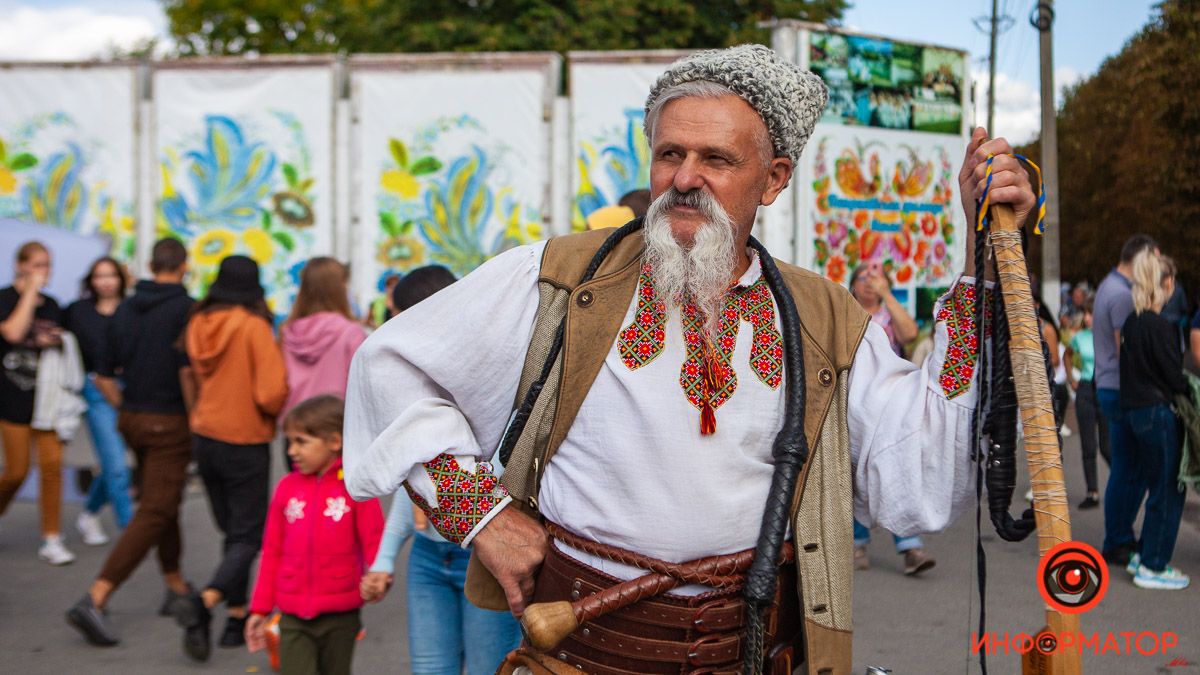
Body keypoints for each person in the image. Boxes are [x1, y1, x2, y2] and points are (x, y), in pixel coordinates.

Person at [344, 44, 1039, 674]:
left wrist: (981, 268)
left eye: (716, 160)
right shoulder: (558, 277)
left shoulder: (822, 317)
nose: (685, 178)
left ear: (773, 179)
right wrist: (483, 515)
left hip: (749, 654)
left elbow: (913, 473)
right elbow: (390, 365)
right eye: (670, 154)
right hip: (579, 654)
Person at [359, 266, 522, 675]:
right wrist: (383, 559)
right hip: (430, 556)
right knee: (431, 668)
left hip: (484, 554)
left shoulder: (490, 382)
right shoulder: (411, 383)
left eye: (394, 314)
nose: (388, 325)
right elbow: (414, 485)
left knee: (489, 667)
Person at [66, 238, 197, 647]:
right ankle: (97, 596)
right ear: (185, 266)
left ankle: (174, 584)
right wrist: (195, 417)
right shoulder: (187, 309)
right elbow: (188, 371)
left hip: (133, 419)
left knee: (164, 497)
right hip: (170, 420)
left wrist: (127, 406)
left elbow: (102, 374)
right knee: (157, 507)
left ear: (148, 264)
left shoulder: (125, 308)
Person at [178, 255, 288, 660]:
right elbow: (270, 392)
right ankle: (205, 602)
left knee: (233, 530)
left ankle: (235, 616)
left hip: (205, 435)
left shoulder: (198, 322)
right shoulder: (253, 327)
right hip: (244, 437)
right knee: (246, 534)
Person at [245, 395, 383, 675]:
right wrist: (259, 609)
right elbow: (271, 550)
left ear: (334, 441)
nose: (292, 451)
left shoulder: (356, 487)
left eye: (301, 441)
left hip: (341, 613)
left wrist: (379, 576)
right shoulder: (286, 488)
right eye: (290, 442)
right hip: (293, 615)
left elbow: (374, 539)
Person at [846, 263, 934, 575]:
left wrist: (887, 295)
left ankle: (910, 546)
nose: (869, 284)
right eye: (863, 278)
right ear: (852, 283)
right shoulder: (843, 311)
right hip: (850, 404)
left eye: (876, 278)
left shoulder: (888, 314)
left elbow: (910, 334)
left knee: (896, 469)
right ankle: (857, 544)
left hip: (889, 407)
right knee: (853, 470)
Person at [0, 241, 75, 565]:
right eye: (38, 265)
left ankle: (51, 538)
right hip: (12, 398)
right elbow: (13, 333)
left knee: (52, 468)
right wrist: (30, 291)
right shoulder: (4, 298)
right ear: (20, 265)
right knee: (16, 472)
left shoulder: (54, 305)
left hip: (47, 402)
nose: (44, 272)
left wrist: (54, 341)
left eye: (48, 265)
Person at [1119, 251, 1189, 590]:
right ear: (1166, 283)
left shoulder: (1133, 322)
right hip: (1159, 413)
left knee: (1155, 488)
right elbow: (1174, 377)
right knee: (1169, 490)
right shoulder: (1160, 326)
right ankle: (1154, 565)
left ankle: (1145, 555)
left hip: (1136, 413)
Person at [1094, 234, 1158, 565]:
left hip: (1109, 386)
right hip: (1121, 390)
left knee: (1126, 466)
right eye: (1155, 259)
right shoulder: (1122, 295)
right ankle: (1118, 538)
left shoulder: (1109, 286)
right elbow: (1126, 350)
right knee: (1130, 468)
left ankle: (1118, 535)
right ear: (1141, 258)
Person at [66, 257, 133, 545]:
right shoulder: (77, 312)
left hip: (131, 389)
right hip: (96, 389)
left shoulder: (132, 310)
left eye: (111, 275)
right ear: (91, 280)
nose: (106, 281)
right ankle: (131, 533)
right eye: (99, 276)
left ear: (121, 278)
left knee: (113, 464)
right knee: (117, 467)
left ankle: (90, 512)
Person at [280, 257, 367, 423]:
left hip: (295, 423)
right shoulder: (351, 332)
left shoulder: (288, 331)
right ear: (339, 288)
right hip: (335, 423)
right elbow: (361, 386)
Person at [1064, 298, 1109, 509]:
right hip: (1085, 389)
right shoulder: (1080, 337)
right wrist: (1071, 379)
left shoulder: (1109, 335)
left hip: (1105, 389)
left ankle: (1125, 484)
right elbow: (1067, 355)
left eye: (1091, 314)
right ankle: (1092, 492)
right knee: (1088, 445)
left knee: (1108, 446)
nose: (1087, 318)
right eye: (1085, 314)